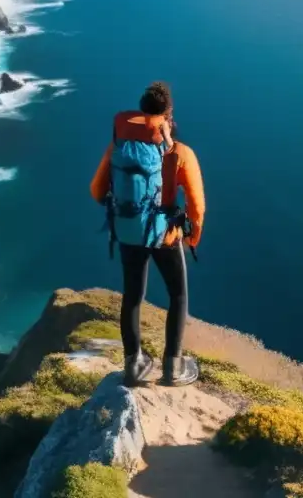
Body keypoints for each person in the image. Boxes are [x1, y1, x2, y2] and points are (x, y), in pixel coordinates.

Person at [90, 81, 206, 387]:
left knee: (132, 296)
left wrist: (125, 209)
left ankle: (134, 366)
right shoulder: (179, 152)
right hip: (165, 236)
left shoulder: (118, 147)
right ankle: (173, 367)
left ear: (141, 113)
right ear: (169, 115)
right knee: (177, 295)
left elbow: (96, 190)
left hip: (128, 232)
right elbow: (197, 206)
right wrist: (191, 238)